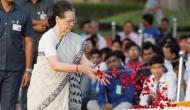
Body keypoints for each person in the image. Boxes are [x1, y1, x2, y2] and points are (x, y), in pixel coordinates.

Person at [27, 1, 109, 110]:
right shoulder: (48, 37)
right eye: (68, 21)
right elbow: (55, 65)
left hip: (65, 91)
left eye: (73, 21)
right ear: (57, 19)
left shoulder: (75, 39)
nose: (72, 24)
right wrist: (81, 69)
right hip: (43, 89)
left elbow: (83, 60)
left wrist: (96, 70)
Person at [0, 0, 33, 110]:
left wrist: (28, 70)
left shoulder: (24, 13)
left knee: (9, 107)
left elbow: (28, 42)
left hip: (14, 71)